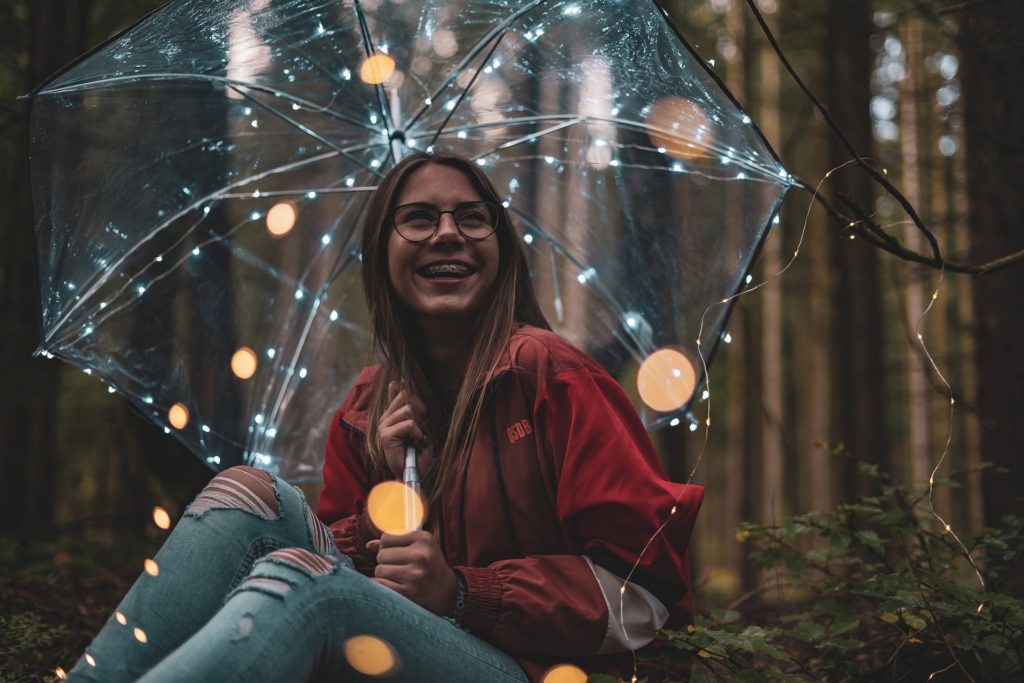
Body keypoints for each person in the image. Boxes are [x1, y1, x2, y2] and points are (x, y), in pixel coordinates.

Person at [67, 151, 703, 682]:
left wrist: (462, 591)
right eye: (419, 218)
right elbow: (363, 566)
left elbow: (641, 594)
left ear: (501, 251)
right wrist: (382, 503)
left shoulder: (552, 377)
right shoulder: (370, 405)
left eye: (472, 219)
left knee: (304, 580)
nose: (447, 233)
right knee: (247, 492)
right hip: (413, 648)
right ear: (383, 253)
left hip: (536, 669)